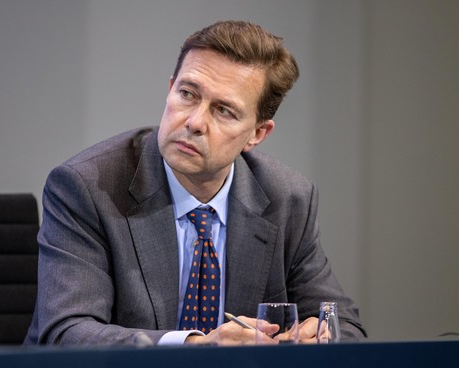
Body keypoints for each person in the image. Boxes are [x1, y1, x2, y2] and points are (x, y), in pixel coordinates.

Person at [24, 20, 366, 346]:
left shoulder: (288, 199)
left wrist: (318, 335)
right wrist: (196, 345)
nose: (195, 122)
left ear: (257, 133)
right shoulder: (86, 187)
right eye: (188, 94)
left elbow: (344, 324)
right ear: (170, 87)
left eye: (224, 111)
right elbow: (66, 334)